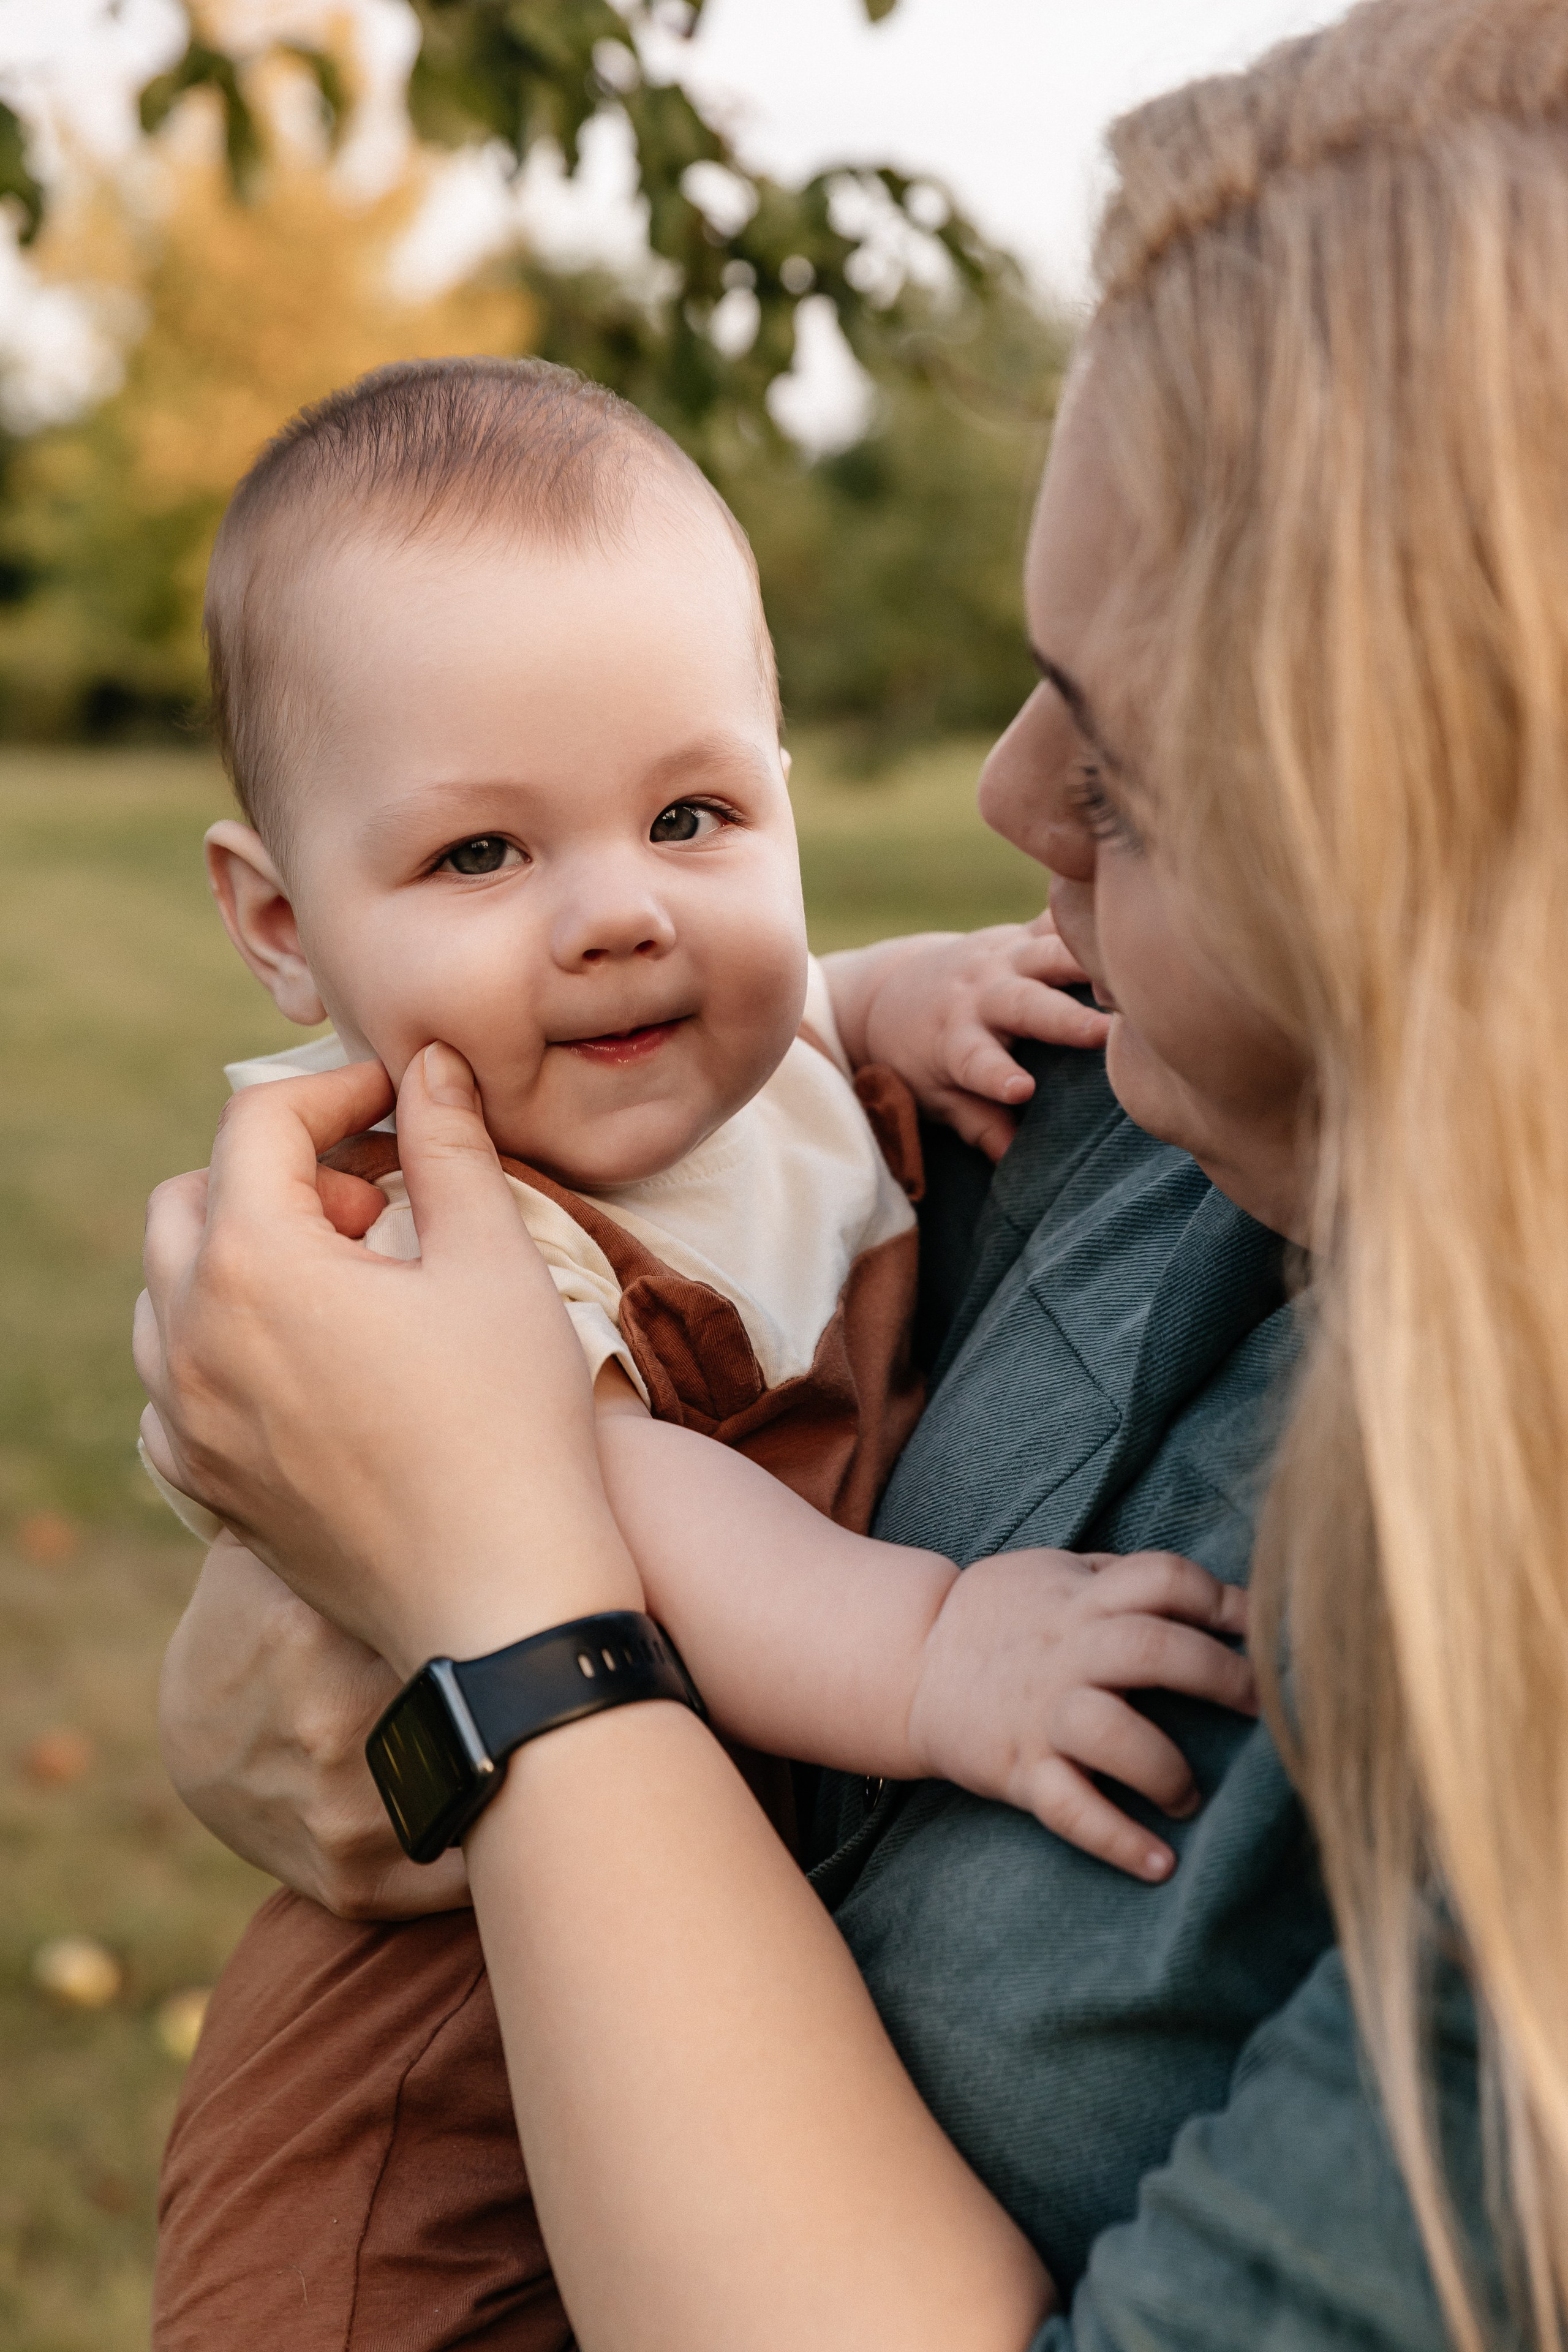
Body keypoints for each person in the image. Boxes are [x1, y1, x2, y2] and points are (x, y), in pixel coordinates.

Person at [138, 1, 1568, 2343]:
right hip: (405, 2122)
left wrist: (486, 1653)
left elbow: (508, 1532)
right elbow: (488, 1536)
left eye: (1126, 757)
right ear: (280, 921)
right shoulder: (1113, 1102)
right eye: (484, 847)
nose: (1012, 807)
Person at [146, 356, 1260, 2350]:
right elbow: (578, 1496)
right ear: (281, 922)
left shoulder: (723, 1067)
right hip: (427, 2049)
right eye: (480, 857)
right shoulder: (418, 1213)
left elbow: (789, 1026)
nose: (619, 920)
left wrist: (890, 996)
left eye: (690, 814)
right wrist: (926, 1650)